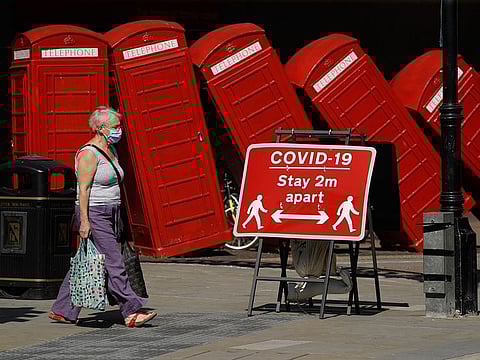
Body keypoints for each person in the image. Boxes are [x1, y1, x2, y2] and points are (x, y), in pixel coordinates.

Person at [49, 106, 156, 328]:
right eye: (115, 126)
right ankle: (131, 311)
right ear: (100, 128)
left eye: (119, 125)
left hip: (112, 212)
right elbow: (83, 190)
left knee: (87, 260)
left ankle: (62, 309)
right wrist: (85, 222)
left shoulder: (111, 151)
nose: (119, 130)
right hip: (95, 212)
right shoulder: (88, 153)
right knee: (114, 260)